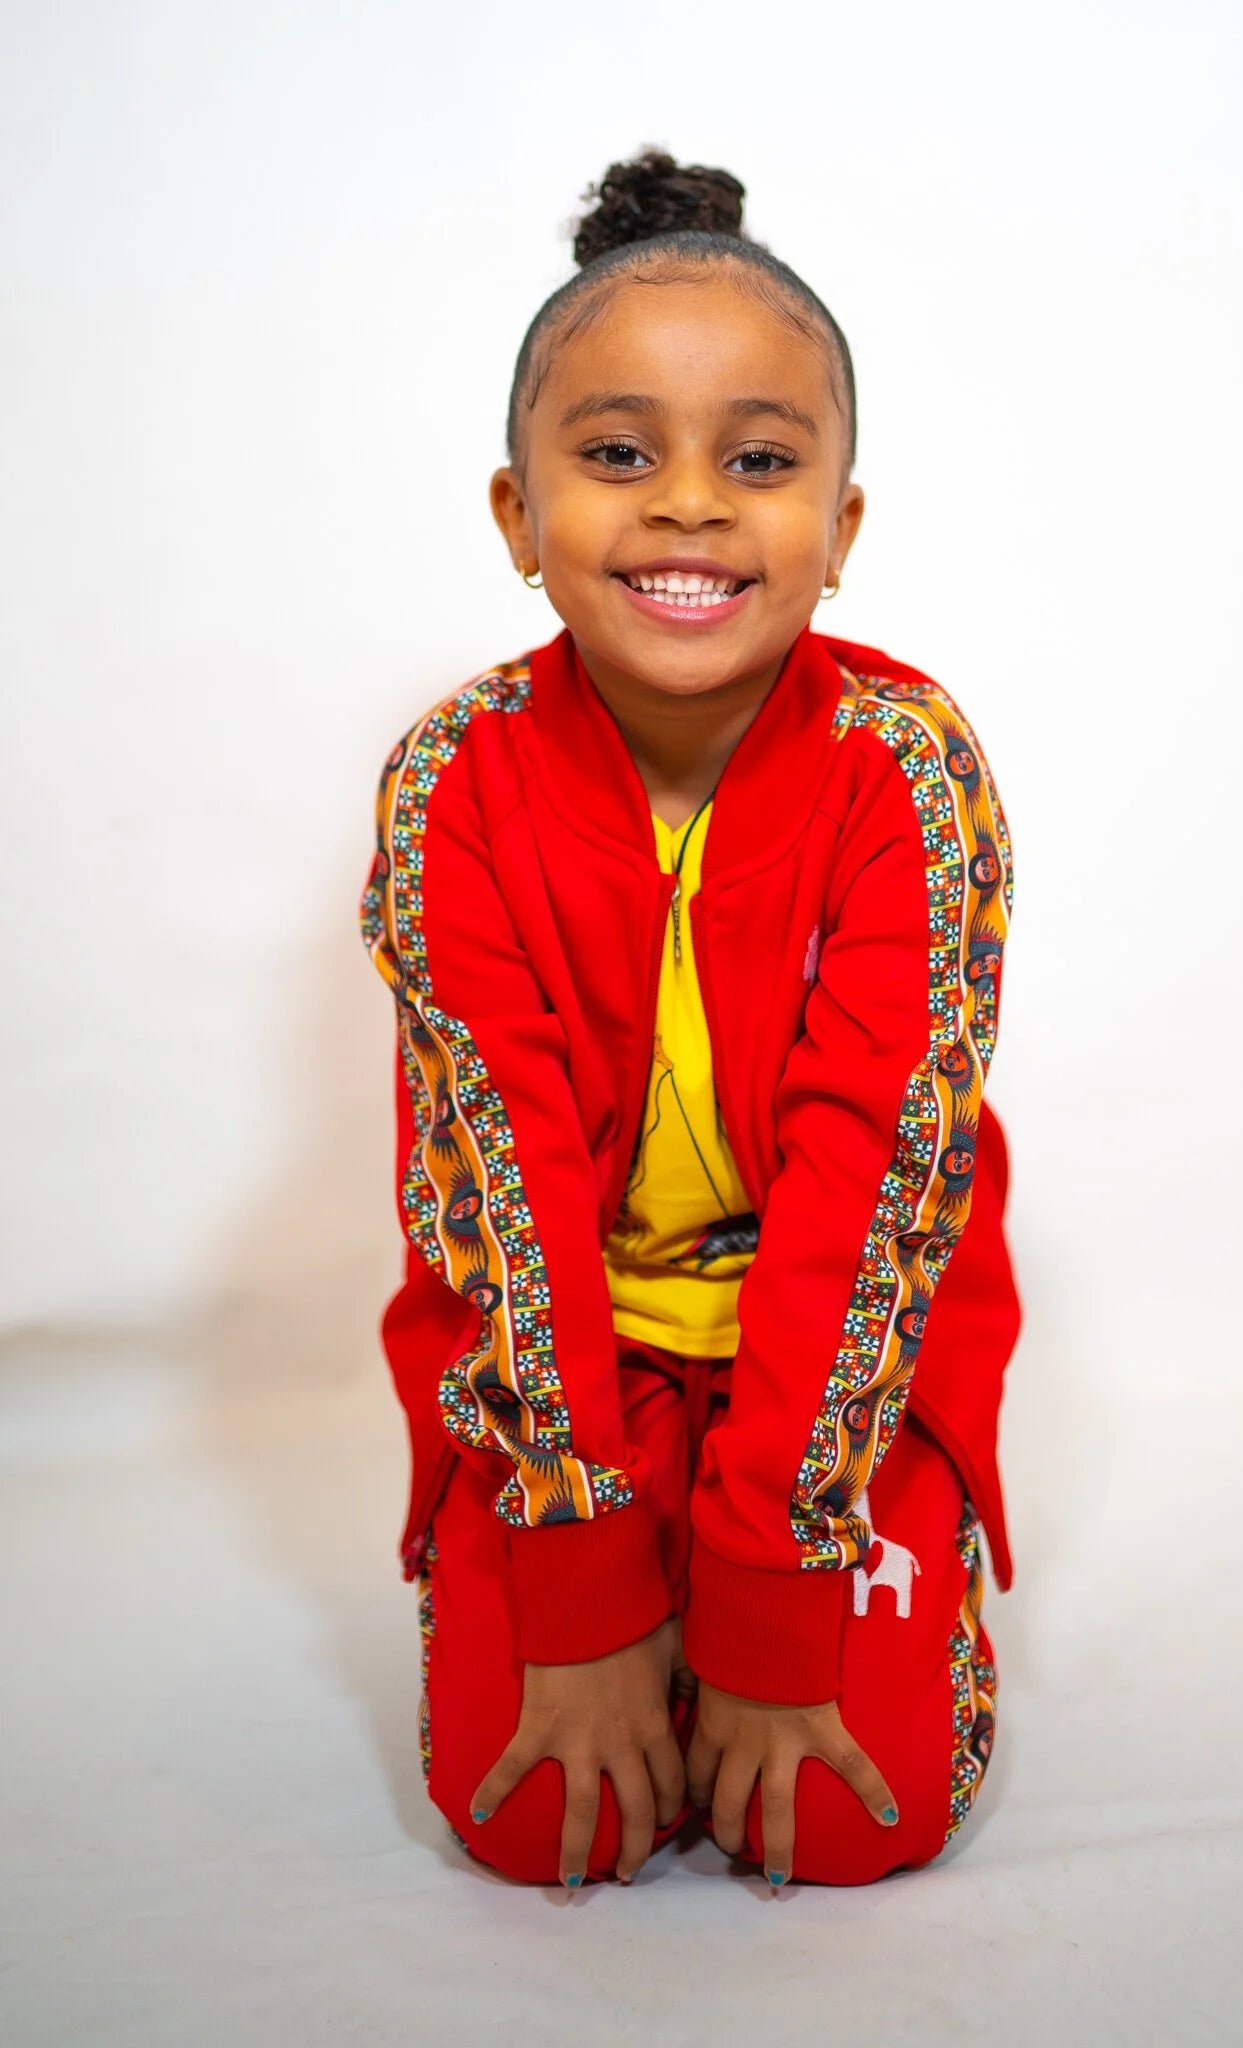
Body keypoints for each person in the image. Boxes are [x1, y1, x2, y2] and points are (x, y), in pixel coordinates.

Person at [358, 147, 1021, 1893]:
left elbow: (873, 1186)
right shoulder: (453, 782)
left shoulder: (909, 772)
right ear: (517, 516)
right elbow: (490, 1191)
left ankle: (839, 1560)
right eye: (615, 454)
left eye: (759, 460)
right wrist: (582, 1587)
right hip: (576, 1368)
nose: (690, 507)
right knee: (530, 1818)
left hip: (835, 1385)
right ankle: (594, 1541)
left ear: (840, 528)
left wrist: (775, 1580)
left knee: (833, 1814)